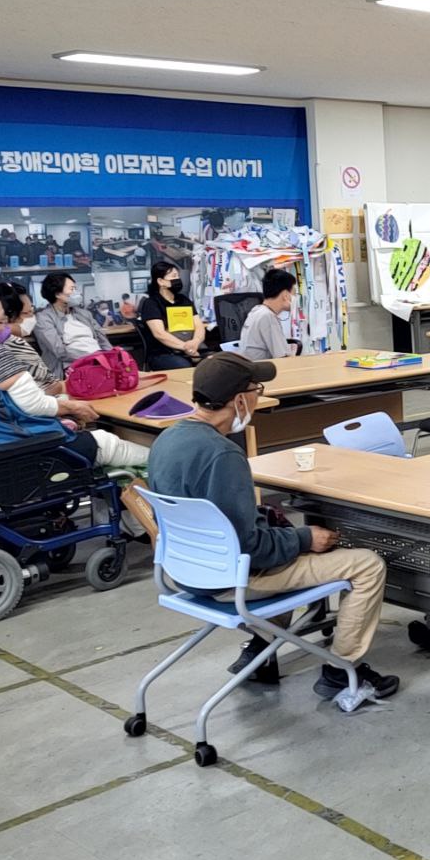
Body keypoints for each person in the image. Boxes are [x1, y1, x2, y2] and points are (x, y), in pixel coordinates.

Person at [147, 353, 397, 700]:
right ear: (238, 400)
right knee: (367, 565)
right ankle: (342, 669)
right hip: (230, 578)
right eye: (256, 391)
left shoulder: (166, 441)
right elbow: (252, 549)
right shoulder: (224, 455)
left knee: (281, 546)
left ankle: (260, 653)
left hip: (185, 571)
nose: (259, 399)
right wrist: (304, 537)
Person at [0, 287, 148, 469]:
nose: (7, 327)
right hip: (24, 449)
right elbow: (33, 404)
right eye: (2, 321)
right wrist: (72, 407)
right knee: (112, 444)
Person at [34, 272, 111, 379]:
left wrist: (111, 357)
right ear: (57, 294)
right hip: (73, 368)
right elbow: (60, 352)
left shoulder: (84, 313)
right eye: (72, 289)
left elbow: (103, 340)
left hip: (100, 362)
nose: (78, 293)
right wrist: (94, 358)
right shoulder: (43, 318)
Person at [0, 281, 62, 393]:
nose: (31, 317)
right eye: (26, 313)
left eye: (32, 311)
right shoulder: (14, 345)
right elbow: (50, 387)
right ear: (4, 316)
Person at [139, 261, 206, 370]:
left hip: (193, 347)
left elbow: (199, 326)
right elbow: (159, 334)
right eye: (174, 276)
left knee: (215, 363)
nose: (178, 279)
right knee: (184, 367)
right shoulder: (152, 303)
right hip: (165, 353)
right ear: (161, 281)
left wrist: (196, 342)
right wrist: (186, 348)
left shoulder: (184, 300)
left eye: (178, 276)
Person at [239, 268, 299, 361]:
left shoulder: (257, 310)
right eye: (294, 293)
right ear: (285, 295)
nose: (295, 298)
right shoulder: (267, 317)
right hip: (261, 373)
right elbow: (284, 359)